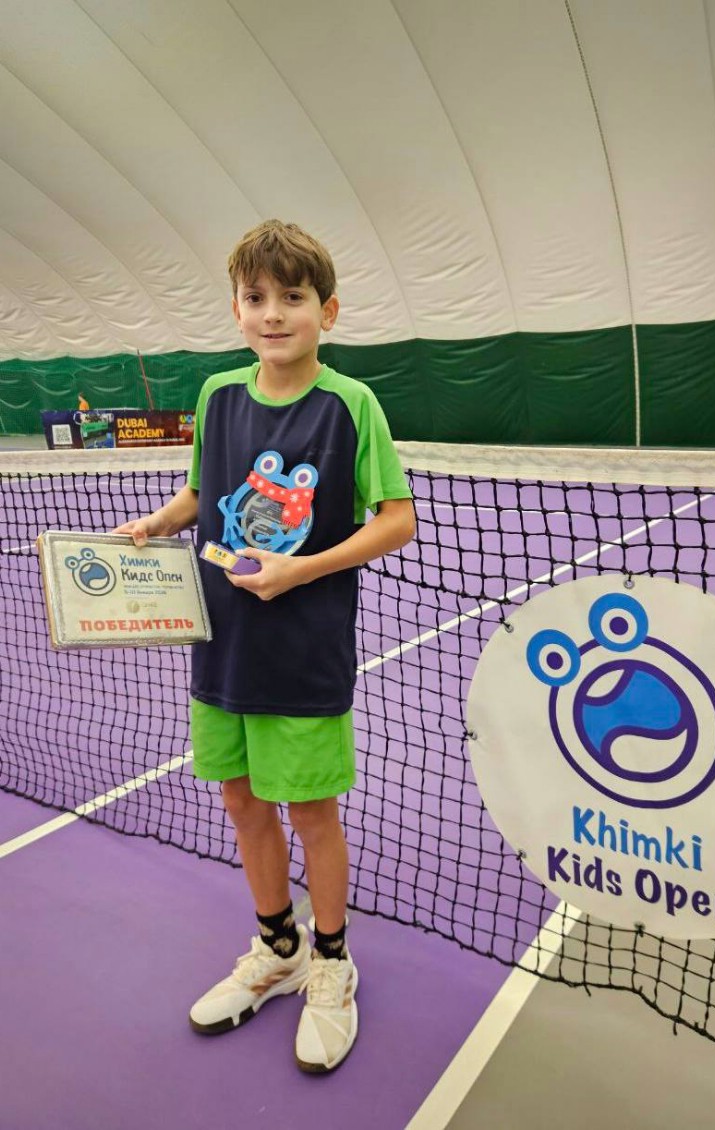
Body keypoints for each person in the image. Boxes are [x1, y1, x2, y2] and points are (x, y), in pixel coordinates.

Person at [114, 219, 415, 1072]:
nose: (273, 313)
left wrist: (302, 569)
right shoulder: (217, 395)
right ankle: (278, 948)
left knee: (311, 812)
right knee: (242, 801)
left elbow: (397, 520)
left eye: (293, 297)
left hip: (304, 651)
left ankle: (331, 963)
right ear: (236, 309)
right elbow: (202, 491)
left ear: (329, 311)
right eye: (256, 298)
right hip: (220, 644)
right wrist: (157, 523)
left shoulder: (350, 405)